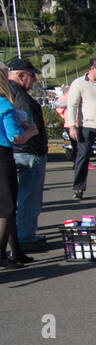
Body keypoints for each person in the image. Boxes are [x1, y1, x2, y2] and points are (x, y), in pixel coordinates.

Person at [6, 58, 47, 249]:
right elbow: (22, 129)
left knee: (24, 197)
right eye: (32, 76)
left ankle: (25, 234)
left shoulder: (11, 92)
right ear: (21, 76)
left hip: (20, 152)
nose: (35, 80)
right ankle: (26, 236)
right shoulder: (18, 96)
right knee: (28, 198)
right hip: (27, 151)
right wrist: (32, 133)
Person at [0, 72, 38, 267]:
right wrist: (30, 130)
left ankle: (16, 250)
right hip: (2, 155)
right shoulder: (4, 105)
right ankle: (1, 254)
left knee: (8, 207)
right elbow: (15, 136)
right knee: (6, 207)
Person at [65, 57, 96, 200]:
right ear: (92, 68)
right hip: (86, 125)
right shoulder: (79, 83)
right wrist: (72, 126)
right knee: (83, 156)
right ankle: (79, 188)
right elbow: (72, 105)